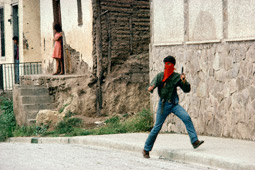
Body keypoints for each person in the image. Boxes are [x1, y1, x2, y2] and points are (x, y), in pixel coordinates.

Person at [142, 55, 204, 158]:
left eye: (169, 64)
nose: (167, 66)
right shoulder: (160, 76)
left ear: (173, 65)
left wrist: (184, 81)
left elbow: (187, 89)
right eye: (166, 64)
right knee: (157, 127)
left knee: (186, 118)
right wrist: (150, 88)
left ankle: (194, 141)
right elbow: (152, 85)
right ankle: (146, 149)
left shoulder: (176, 77)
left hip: (174, 104)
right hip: (163, 105)